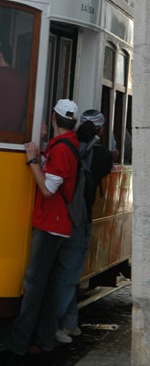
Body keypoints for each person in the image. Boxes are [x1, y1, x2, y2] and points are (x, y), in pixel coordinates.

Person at [0, 99, 79, 355]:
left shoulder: (62, 150)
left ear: (54, 118)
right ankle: (43, 339)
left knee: (33, 284)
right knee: (46, 285)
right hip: (58, 224)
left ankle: (17, 341)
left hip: (50, 225)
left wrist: (32, 160)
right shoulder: (67, 145)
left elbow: (47, 189)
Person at [54, 109, 113, 343]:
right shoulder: (103, 156)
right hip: (80, 219)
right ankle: (55, 325)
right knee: (70, 274)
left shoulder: (67, 146)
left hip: (59, 215)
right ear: (100, 129)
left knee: (63, 271)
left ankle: (70, 323)